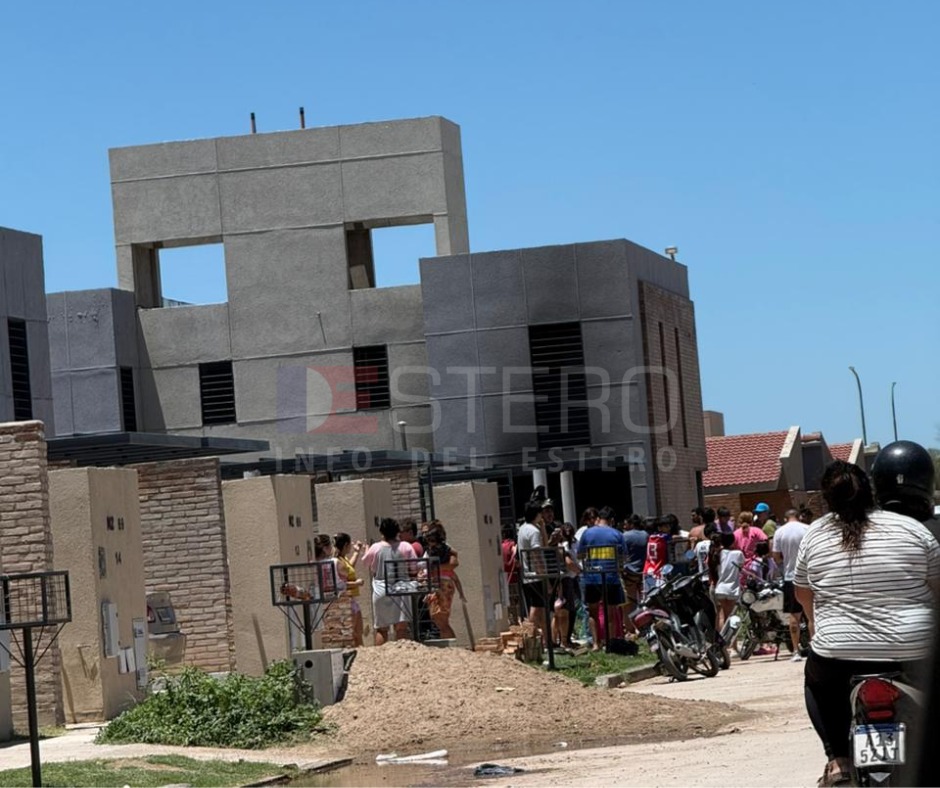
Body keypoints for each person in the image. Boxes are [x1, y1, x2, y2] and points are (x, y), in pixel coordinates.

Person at [794, 460, 940, 787]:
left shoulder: (814, 535)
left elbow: (804, 596)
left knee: (816, 683)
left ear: (826, 499)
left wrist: (817, 627)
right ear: (872, 491)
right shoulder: (912, 530)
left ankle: (838, 761)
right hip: (911, 652)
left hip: (837, 656)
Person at [362, 517, 416, 646]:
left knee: (382, 629)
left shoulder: (375, 548)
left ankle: (382, 659)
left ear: (382, 532)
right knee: (401, 627)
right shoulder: (405, 546)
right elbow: (414, 566)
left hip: (381, 589)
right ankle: (403, 657)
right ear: (397, 531)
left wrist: (366, 549)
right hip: (402, 589)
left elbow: (365, 563)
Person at [577, 505, 625, 650]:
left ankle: (596, 643)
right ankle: (610, 642)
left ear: (599, 519)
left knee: (592, 611)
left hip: (592, 577)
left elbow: (580, 555)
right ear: (611, 520)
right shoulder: (617, 534)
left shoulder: (587, 533)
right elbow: (623, 557)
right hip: (611, 577)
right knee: (610, 612)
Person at [772, 509, 812, 662]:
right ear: (798, 516)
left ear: (785, 518)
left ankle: (795, 650)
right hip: (807, 576)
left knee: (794, 616)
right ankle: (814, 647)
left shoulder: (780, 532)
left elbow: (776, 556)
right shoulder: (806, 529)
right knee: (811, 616)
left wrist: (784, 563)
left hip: (790, 577)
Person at [517, 502, 547, 642]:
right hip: (536, 575)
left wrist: (543, 529)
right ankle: (529, 638)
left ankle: (544, 640)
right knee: (537, 607)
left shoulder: (523, 528)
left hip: (527, 574)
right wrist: (542, 572)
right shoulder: (533, 531)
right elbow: (536, 552)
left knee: (539, 608)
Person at [423, 522, 459, 639]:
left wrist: (435, 568)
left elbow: (453, 563)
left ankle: (452, 646)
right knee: (437, 618)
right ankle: (449, 645)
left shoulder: (445, 548)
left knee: (441, 619)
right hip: (436, 584)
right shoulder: (431, 550)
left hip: (442, 584)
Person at [333, 532, 365, 647]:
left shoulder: (343, 559)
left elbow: (349, 568)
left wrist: (357, 552)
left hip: (352, 599)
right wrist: (356, 583)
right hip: (346, 599)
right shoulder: (338, 561)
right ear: (346, 545)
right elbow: (341, 583)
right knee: (353, 633)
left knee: (358, 632)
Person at [708, 531, 744, 633]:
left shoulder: (719, 554)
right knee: (731, 617)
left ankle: (720, 642)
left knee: (721, 616)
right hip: (732, 588)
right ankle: (732, 644)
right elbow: (741, 566)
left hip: (720, 588)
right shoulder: (738, 554)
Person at [620, 514, 648, 633]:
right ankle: (645, 626)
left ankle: (630, 628)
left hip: (629, 572)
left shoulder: (625, 536)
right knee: (644, 601)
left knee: (629, 602)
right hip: (643, 572)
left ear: (631, 524)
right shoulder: (646, 535)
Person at [501, 523, 521, 625]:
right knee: (515, 600)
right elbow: (516, 560)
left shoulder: (501, 546)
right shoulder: (513, 545)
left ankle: (510, 620)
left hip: (503, 577)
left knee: (507, 600)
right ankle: (516, 620)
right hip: (514, 576)